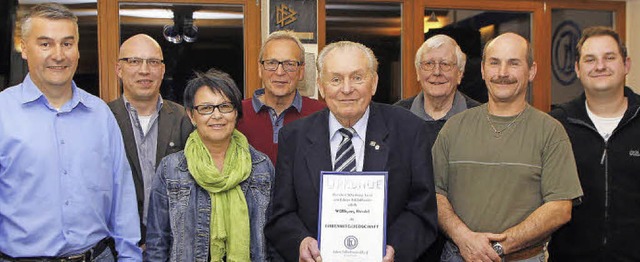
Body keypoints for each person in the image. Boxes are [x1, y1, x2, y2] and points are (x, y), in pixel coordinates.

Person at [264, 41, 438, 262]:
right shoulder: (294, 137)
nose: (346, 89)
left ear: (373, 83)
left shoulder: (410, 130)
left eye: (357, 77)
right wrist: (300, 242)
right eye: (335, 79)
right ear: (320, 86)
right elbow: (282, 215)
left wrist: (394, 249)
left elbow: (422, 210)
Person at [0, 3, 141, 261]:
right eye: (45, 44)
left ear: (77, 49)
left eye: (67, 43)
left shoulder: (100, 115)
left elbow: (123, 198)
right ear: (24, 48)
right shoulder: (3, 114)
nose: (58, 55)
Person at [432, 32, 583, 262]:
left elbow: (560, 207)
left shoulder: (550, 131)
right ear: (483, 70)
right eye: (494, 63)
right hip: (458, 255)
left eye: (513, 63)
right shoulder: (454, 127)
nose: (502, 73)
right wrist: (464, 238)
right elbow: (434, 193)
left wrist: (499, 248)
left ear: (531, 71)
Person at [145, 69, 275, 261]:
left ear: (236, 112)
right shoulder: (171, 169)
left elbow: (273, 240)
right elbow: (157, 243)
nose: (216, 115)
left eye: (225, 106)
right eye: (206, 108)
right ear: (191, 116)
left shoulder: (261, 167)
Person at [548, 26, 640, 261]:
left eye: (609, 57)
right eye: (590, 59)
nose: (600, 66)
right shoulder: (557, 124)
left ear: (626, 65)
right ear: (578, 69)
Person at [108, 34, 192, 242]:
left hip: (174, 243)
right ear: (119, 69)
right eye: (134, 61)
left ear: (162, 70)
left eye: (153, 62)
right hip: (117, 244)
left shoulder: (185, 119)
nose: (144, 70)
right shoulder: (103, 119)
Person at [237, 30, 325, 164]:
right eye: (271, 63)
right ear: (260, 69)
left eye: (289, 64)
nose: (279, 72)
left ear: (301, 71)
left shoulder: (322, 115)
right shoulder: (236, 114)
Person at [395, 34, 480, 132]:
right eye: (429, 64)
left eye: (445, 64)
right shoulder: (396, 116)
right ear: (418, 72)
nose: (437, 72)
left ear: (459, 74)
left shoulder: (480, 118)